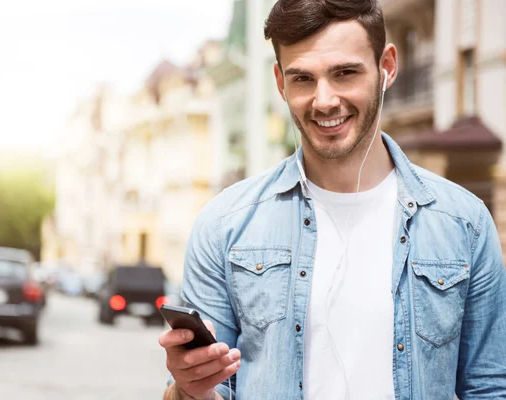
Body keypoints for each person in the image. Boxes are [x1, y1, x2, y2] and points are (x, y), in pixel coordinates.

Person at [158, 0, 506, 399]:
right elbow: (201, 391)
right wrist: (188, 388)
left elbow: (490, 388)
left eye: (345, 73)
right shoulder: (224, 225)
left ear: (386, 68)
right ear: (280, 82)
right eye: (303, 79)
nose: (324, 100)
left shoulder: (464, 223)